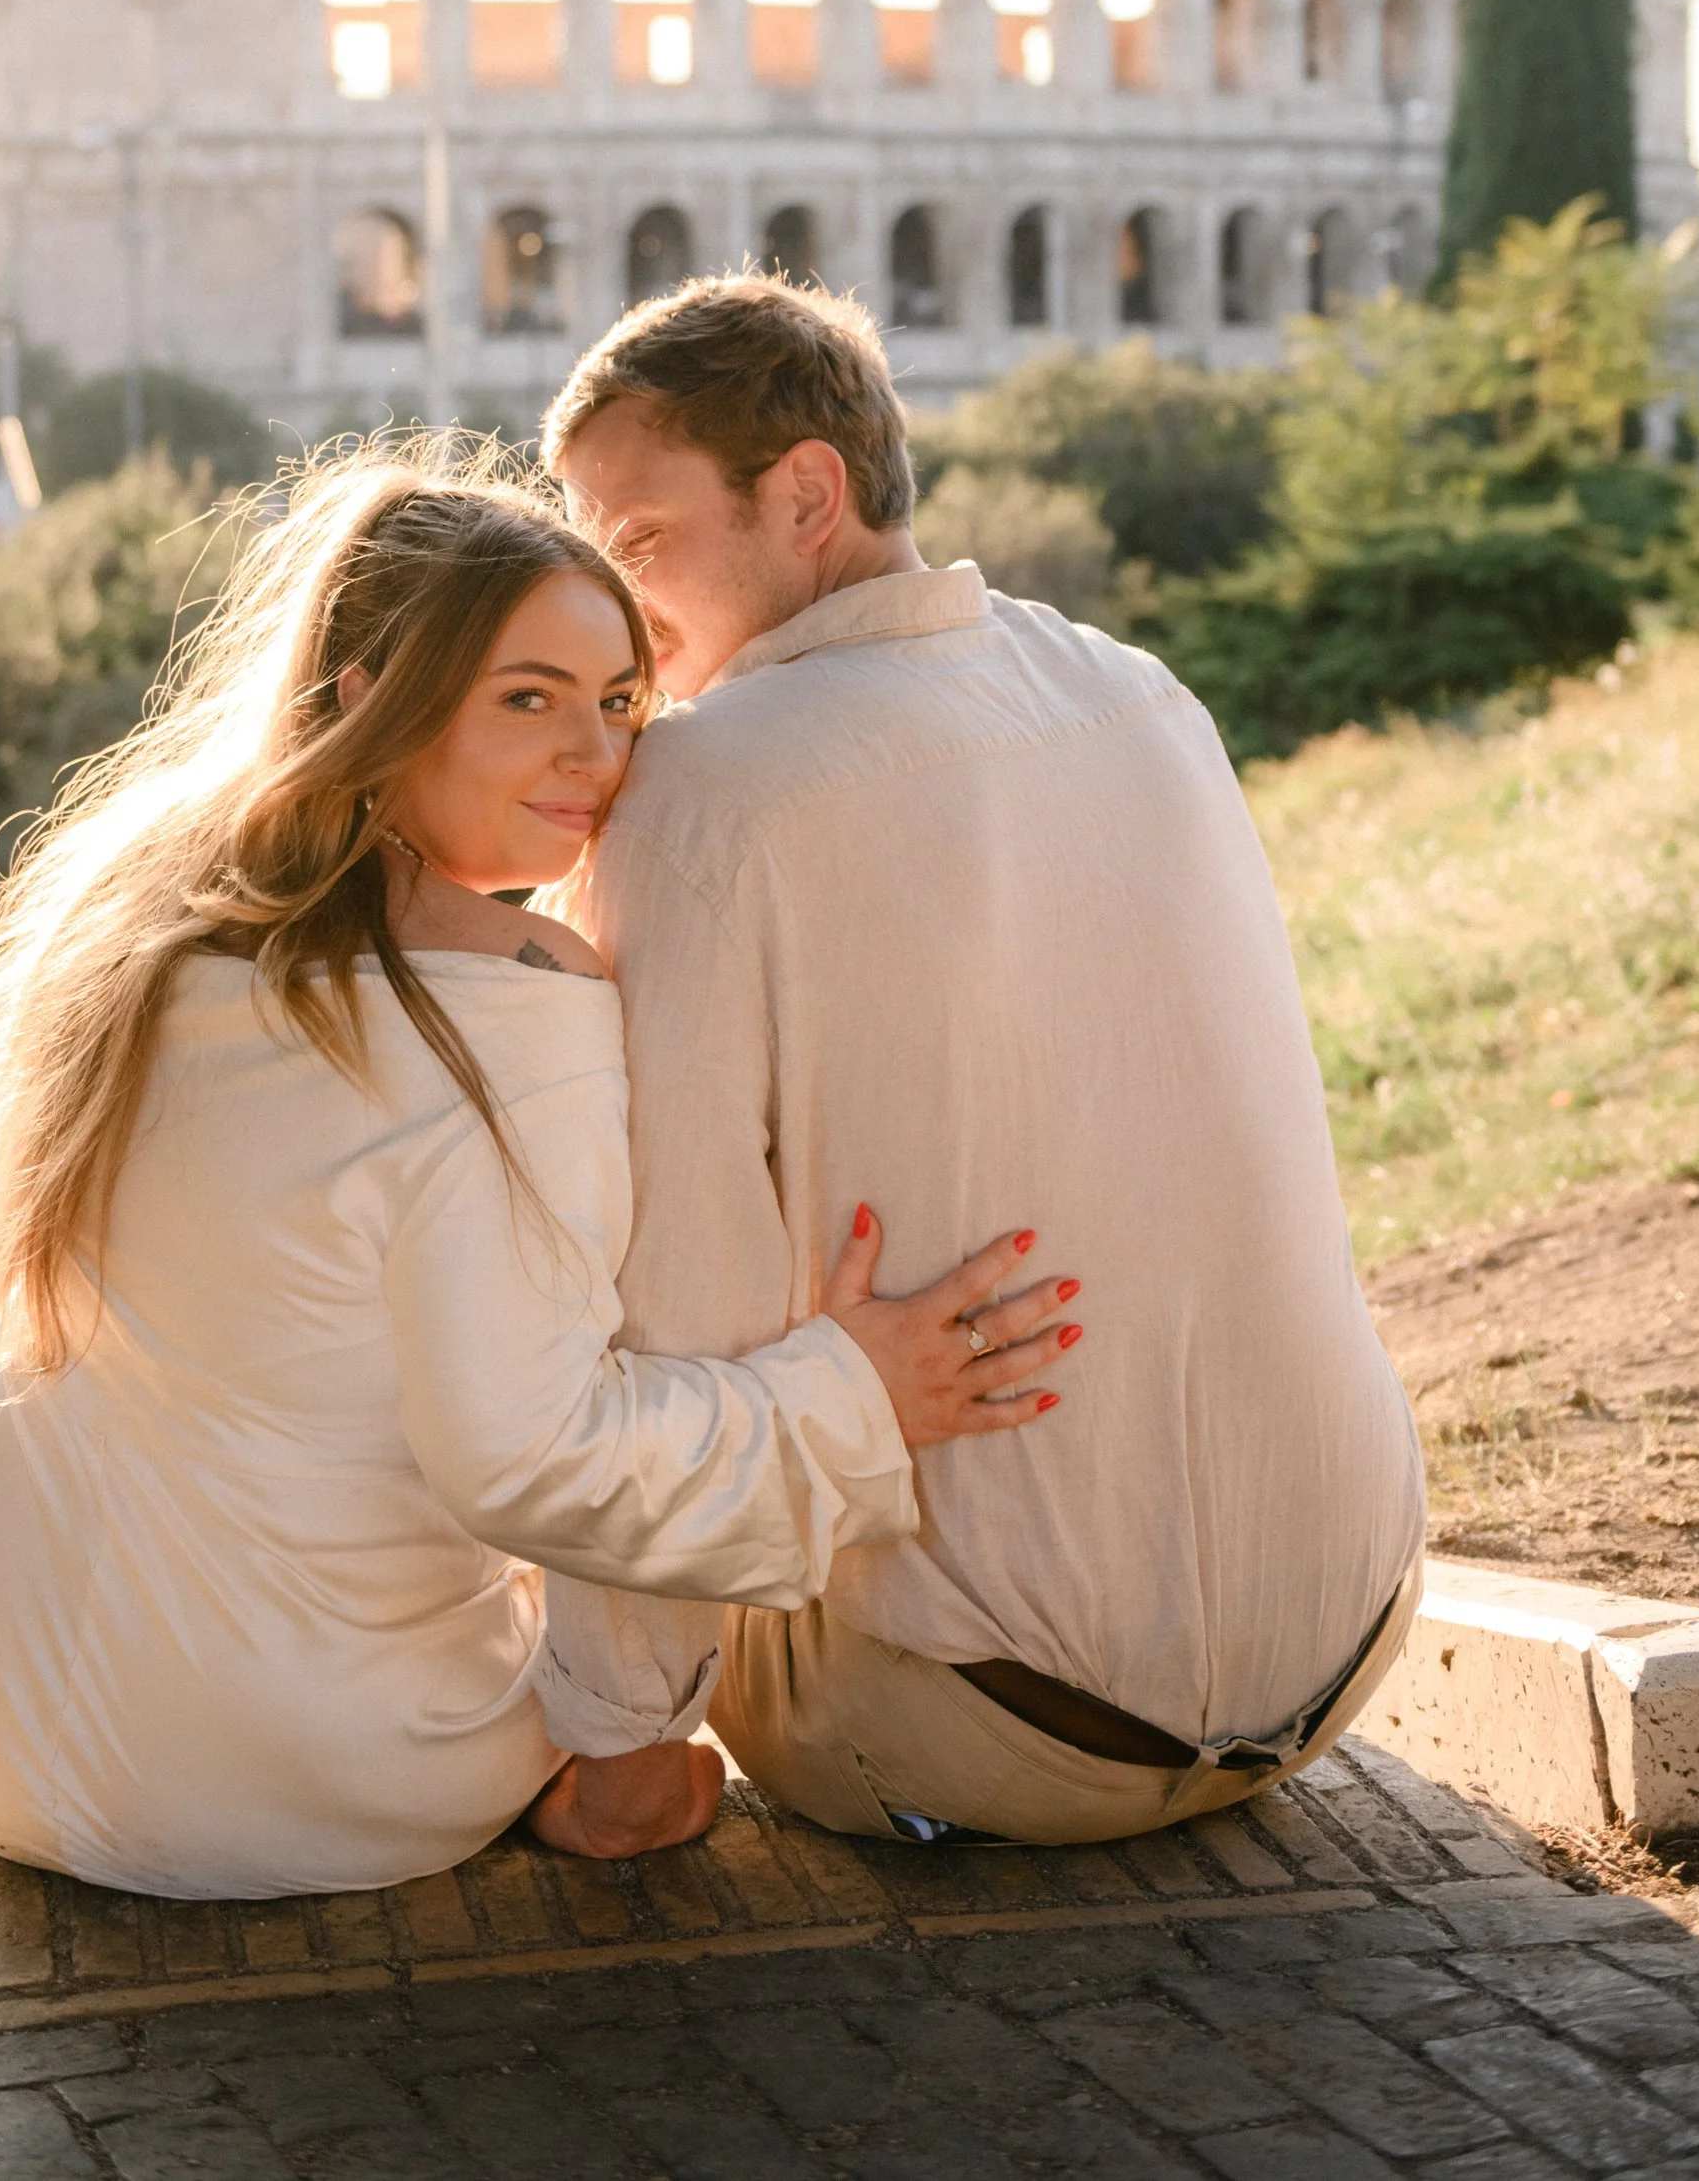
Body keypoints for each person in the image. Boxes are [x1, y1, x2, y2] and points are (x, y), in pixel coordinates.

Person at [0, 461, 1076, 1899]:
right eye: (528, 698)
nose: (597, 756)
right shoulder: (511, 999)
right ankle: (573, 1792)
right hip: (258, 1761)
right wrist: (854, 1394)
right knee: (638, 1758)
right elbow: (537, 1460)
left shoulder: (140, 909)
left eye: (621, 701)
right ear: (377, 699)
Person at [529, 277, 1425, 1863]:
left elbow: (663, 1303)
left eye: (638, 539)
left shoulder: (698, 791)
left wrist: (618, 1736)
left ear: (805, 494)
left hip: (987, 1731)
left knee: (527, 1319)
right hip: (1341, 1642)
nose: (609, 597)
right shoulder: (1144, 693)